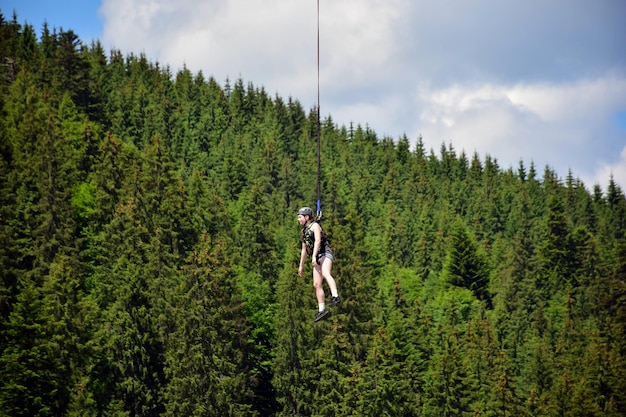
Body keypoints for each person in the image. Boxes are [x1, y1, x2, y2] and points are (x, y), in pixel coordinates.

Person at [297, 207, 341, 322]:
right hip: (316, 257)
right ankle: (322, 309)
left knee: (326, 273)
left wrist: (314, 255)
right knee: (316, 284)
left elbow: (318, 240)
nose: (298, 219)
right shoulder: (303, 232)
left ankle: (335, 296)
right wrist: (301, 266)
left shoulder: (315, 226)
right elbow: (303, 250)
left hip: (325, 253)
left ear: (307, 217)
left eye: (300, 217)